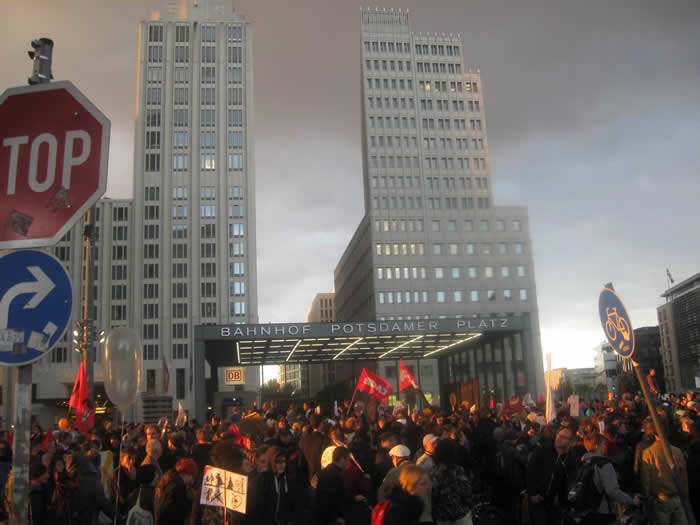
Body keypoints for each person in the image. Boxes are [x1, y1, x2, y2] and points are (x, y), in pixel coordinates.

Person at [575, 432, 639, 524]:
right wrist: (631, 500)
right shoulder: (604, 464)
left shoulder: (583, 463)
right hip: (603, 511)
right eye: (603, 444)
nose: (605, 447)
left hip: (585, 511)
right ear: (597, 446)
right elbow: (612, 490)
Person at [640, 425, 689, 525]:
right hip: (677, 497)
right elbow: (684, 476)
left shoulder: (648, 453)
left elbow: (646, 479)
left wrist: (647, 495)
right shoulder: (677, 451)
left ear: (653, 434)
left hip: (661, 498)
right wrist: (685, 494)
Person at [430, 439, 470, 525]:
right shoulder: (457, 470)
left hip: (442, 515)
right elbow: (466, 491)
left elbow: (432, 494)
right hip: (459, 513)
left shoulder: (433, 472)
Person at [154, 458, 198, 525]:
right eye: (192, 476)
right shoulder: (178, 488)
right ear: (187, 474)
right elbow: (175, 511)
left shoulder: (169, 479)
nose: (192, 480)